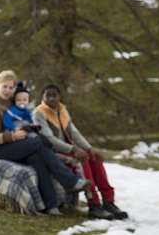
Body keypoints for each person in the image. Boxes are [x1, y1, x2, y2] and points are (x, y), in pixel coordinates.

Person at [0, 70, 91, 216]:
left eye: (11, 88)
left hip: (14, 144)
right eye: (4, 86)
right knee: (37, 143)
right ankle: (70, 181)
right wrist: (12, 136)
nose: (7, 90)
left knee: (37, 158)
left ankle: (51, 205)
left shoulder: (13, 100)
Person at [32, 84, 128, 220]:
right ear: (42, 97)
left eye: (55, 95)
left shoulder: (62, 110)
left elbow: (74, 133)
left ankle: (108, 201)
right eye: (48, 95)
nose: (51, 98)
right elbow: (49, 139)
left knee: (93, 157)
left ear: (59, 97)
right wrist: (73, 149)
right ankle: (94, 204)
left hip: (68, 150)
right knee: (81, 160)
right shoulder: (38, 113)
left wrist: (89, 148)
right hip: (52, 152)